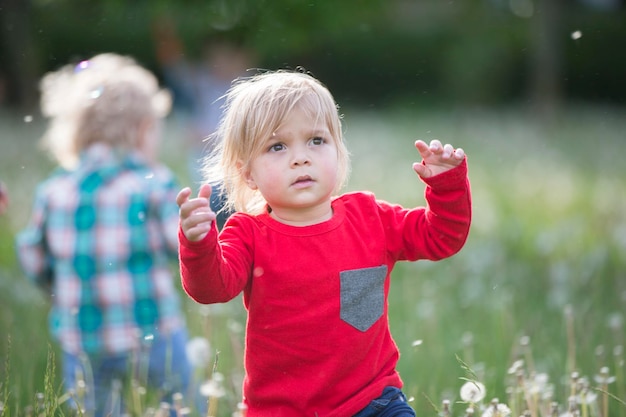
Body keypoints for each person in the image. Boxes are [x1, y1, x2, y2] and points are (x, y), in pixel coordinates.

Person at [176, 70, 472, 416]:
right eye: (277, 146)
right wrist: (198, 246)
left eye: (316, 140)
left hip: (374, 400)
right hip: (284, 410)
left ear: (338, 150)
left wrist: (447, 188)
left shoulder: (369, 218)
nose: (301, 158)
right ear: (248, 174)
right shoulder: (248, 234)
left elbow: (440, 237)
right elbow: (212, 288)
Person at [15, 53, 192, 417]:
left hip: (84, 337)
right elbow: (181, 247)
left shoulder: (55, 191)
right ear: (143, 130)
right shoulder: (154, 185)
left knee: (96, 409)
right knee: (181, 403)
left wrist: (58, 283)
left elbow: (33, 256)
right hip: (153, 327)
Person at [153, 18, 255, 228]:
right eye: (215, 57)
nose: (220, 63)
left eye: (226, 57)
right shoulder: (203, 83)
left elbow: (246, 133)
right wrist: (164, 32)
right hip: (208, 168)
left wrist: (207, 136)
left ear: (242, 59)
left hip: (239, 169)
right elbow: (174, 65)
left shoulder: (248, 88)